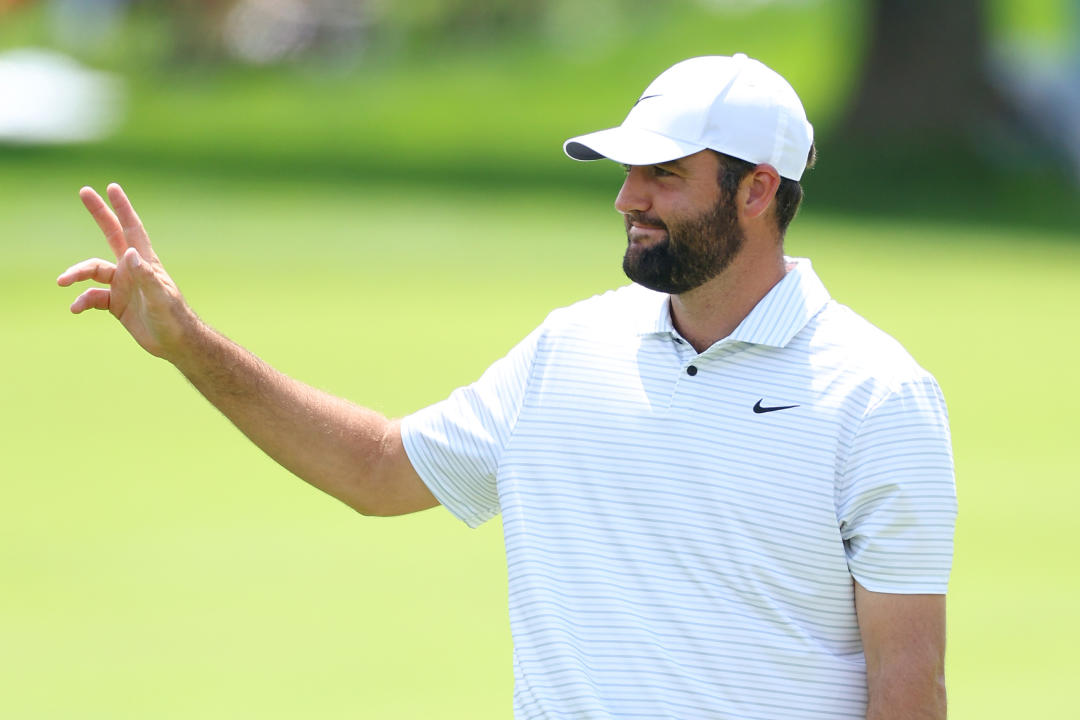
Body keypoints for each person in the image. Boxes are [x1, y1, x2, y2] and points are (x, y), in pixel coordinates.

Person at [58, 54, 956, 720]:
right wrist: (190, 345)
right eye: (627, 171)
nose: (626, 198)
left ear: (758, 191)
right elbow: (376, 469)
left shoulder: (876, 396)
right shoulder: (567, 350)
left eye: (664, 175)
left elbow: (908, 684)